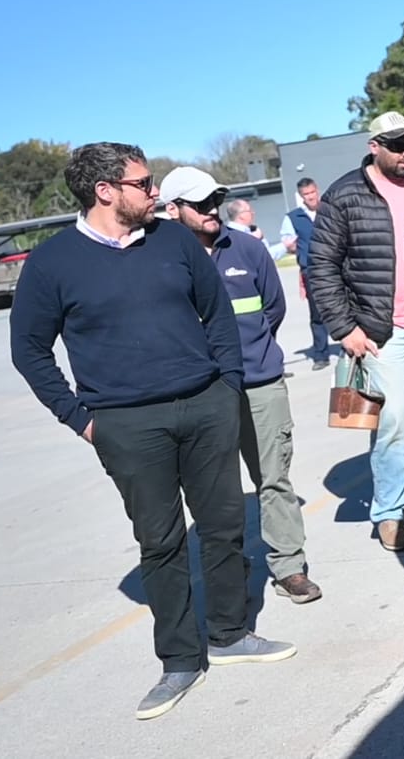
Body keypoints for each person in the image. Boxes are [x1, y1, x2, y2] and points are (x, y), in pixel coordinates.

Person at [9, 142, 295, 723]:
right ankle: (180, 659)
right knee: (161, 541)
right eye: (143, 184)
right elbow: (30, 351)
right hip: (126, 424)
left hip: (205, 406)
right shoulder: (53, 262)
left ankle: (230, 633)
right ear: (105, 192)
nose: (155, 192)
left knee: (222, 526)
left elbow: (216, 314)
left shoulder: (174, 242)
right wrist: (81, 419)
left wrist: (226, 388)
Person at [161, 166, 322, 605]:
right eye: (200, 204)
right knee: (217, 490)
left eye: (216, 200)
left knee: (274, 479)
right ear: (173, 210)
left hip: (259, 383)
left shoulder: (248, 249)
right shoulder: (161, 258)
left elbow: (274, 308)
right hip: (200, 391)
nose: (212, 209)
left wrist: (246, 353)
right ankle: (231, 574)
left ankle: (289, 567)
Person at [309, 110, 404, 552]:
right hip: (381, 332)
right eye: (396, 145)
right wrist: (344, 328)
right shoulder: (345, 195)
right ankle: (389, 514)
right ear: (373, 146)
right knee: (392, 423)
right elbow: (322, 267)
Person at [281, 178, 331, 371]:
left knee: (346, 307)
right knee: (317, 314)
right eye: (306, 195)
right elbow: (288, 242)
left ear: (317, 190)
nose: (310, 197)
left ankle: (351, 347)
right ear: (301, 196)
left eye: (312, 192)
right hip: (311, 270)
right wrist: (300, 252)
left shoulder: (329, 209)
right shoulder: (293, 217)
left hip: (336, 266)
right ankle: (321, 355)